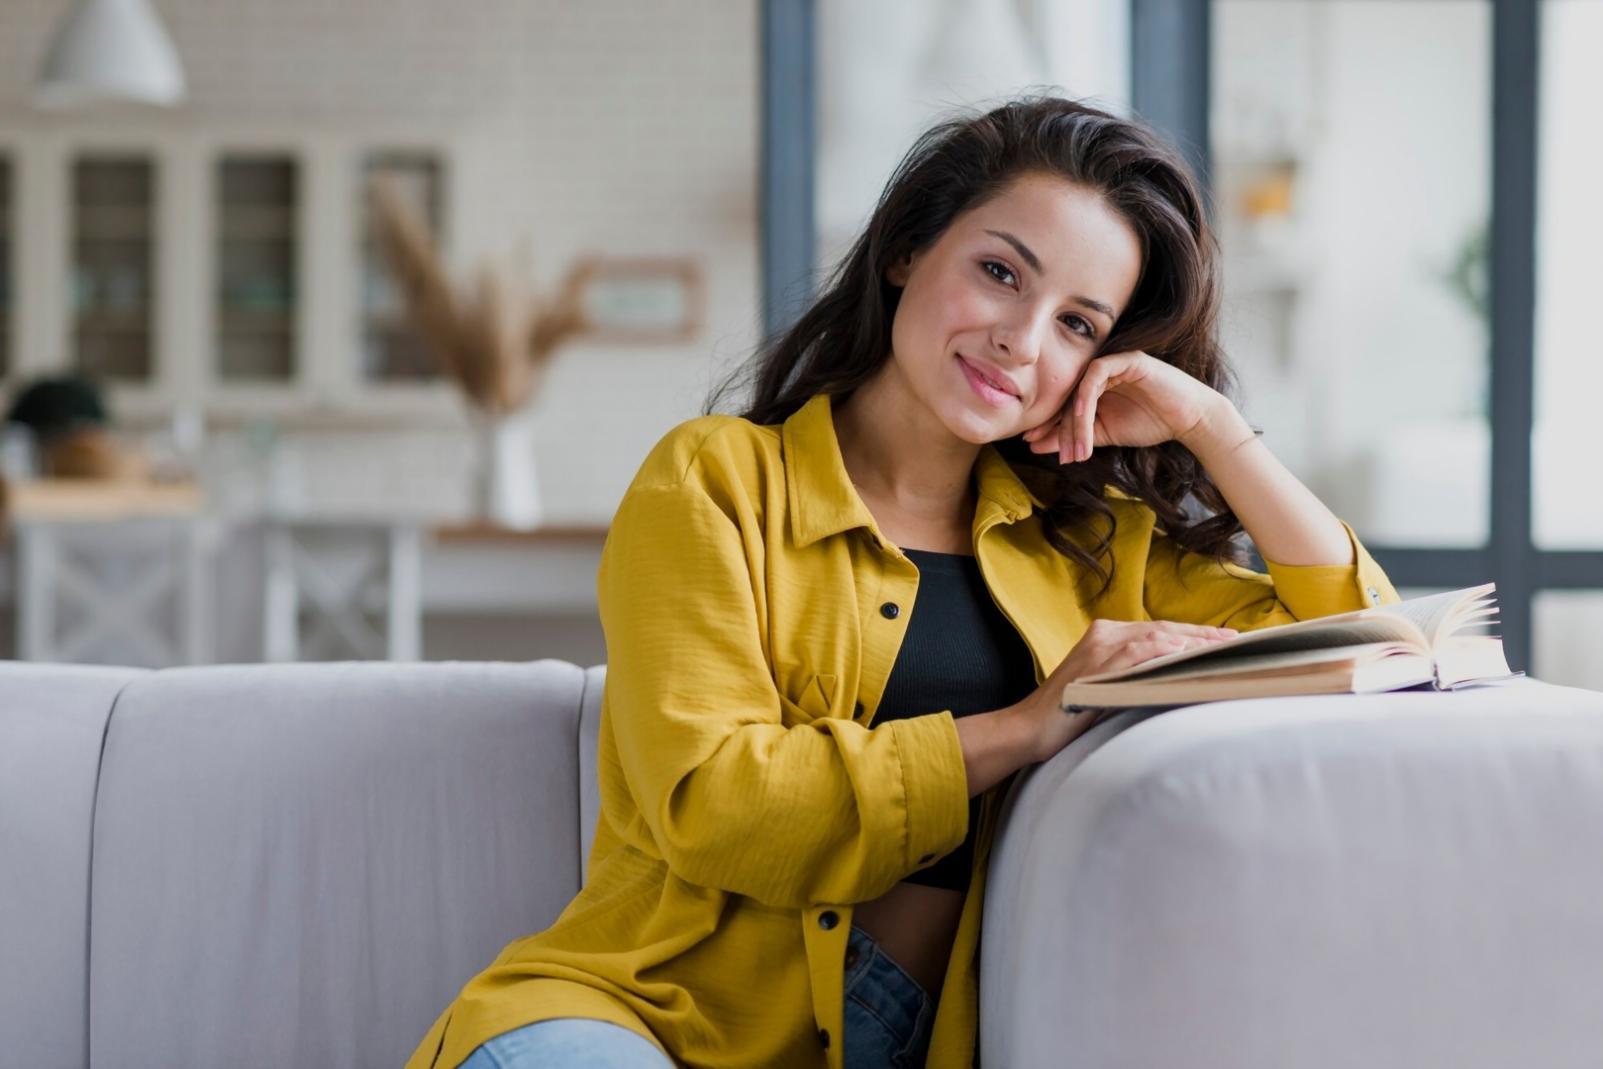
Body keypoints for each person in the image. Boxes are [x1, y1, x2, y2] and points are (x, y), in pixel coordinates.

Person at [406, 95, 1400, 1069]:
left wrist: (1209, 427)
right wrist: (1026, 724)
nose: (1022, 340)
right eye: (1000, 272)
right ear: (907, 251)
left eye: (1076, 325)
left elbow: (1372, 643)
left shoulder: (1090, 549)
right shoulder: (714, 480)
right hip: (629, 1021)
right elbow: (716, 804)